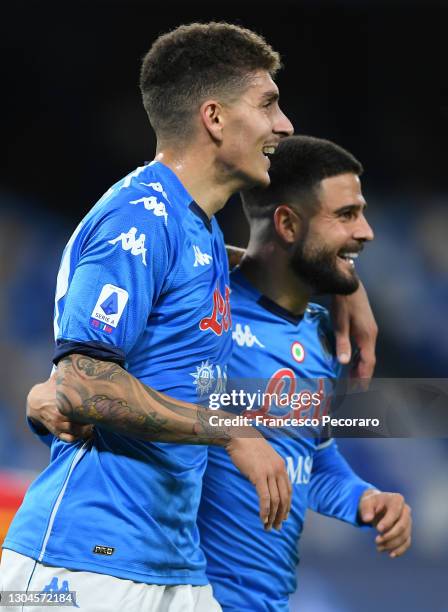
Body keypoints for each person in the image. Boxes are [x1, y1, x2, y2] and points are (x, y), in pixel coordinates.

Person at [1, 23, 377, 612]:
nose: (285, 125)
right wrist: (229, 428)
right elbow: (79, 384)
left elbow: (271, 265)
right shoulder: (138, 218)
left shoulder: (194, 228)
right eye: (269, 103)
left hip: (172, 563)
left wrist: (342, 281)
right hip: (83, 564)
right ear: (215, 118)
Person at [197, 135, 412, 611]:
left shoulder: (321, 335)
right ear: (288, 224)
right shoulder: (207, 310)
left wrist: (363, 498)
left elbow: (309, 454)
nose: (367, 231)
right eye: (346, 215)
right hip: (190, 596)